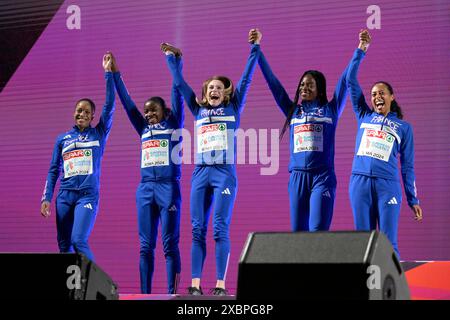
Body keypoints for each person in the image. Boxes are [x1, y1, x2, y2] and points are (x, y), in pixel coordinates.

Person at [161, 29, 261, 296]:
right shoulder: (198, 110)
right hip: (200, 174)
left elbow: (247, 78)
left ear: (225, 94)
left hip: (224, 174)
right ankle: (194, 285)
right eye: (210, 88)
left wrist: (254, 48)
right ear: (204, 94)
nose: (215, 90)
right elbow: (180, 84)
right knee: (196, 229)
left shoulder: (233, 107)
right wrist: (173, 58)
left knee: (219, 227)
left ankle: (219, 285)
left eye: (219, 87)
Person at [253, 28, 350, 232]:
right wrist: (257, 49)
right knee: (298, 235)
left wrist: (360, 50)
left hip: (322, 176)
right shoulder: (293, 111)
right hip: (297, 178)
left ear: (320, 89)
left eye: (310, 85)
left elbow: (345, 80)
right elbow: (273, 84)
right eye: (302, 85)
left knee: (317, 232)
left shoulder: (331, 109)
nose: (304, 88)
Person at [112, 49, 184, 294]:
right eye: (147, 111)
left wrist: (174, 60)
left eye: (154, 110)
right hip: (144, 191)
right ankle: (145, 296)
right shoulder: (142, 128)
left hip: (168, 188)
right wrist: (114, 73)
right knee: (145, 246)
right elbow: (127, 103)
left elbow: (177, 90)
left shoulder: (174, 124)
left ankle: (172, 294)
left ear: (165, 112)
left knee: (170, 246)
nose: (149, 114)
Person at [347, 29, 423, 257]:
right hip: (359, 184)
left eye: (381, 93)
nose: (376, 96)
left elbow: (408, 167)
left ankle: (392, 291)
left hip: (387, 185)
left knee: (388, 244)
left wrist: (413, 199)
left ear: (392, 96)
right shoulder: (363, 114)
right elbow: (350, 79)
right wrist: (361, 49)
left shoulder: (404, 127)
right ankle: (364, 291)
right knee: (364, 244)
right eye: (373, 94)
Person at [40, 52, 117, 262]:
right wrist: (46, 198)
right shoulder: (62, 139)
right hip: (64, 196)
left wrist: (108, 74)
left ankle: (95, 285)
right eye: (78, 111)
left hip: (87, 195)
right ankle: (72, 290)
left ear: (93, 116)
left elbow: (109, 106)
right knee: (64, 245)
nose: (81, 114)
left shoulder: (98, 134)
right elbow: (53, 169)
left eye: (86, 112)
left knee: (78, 240)